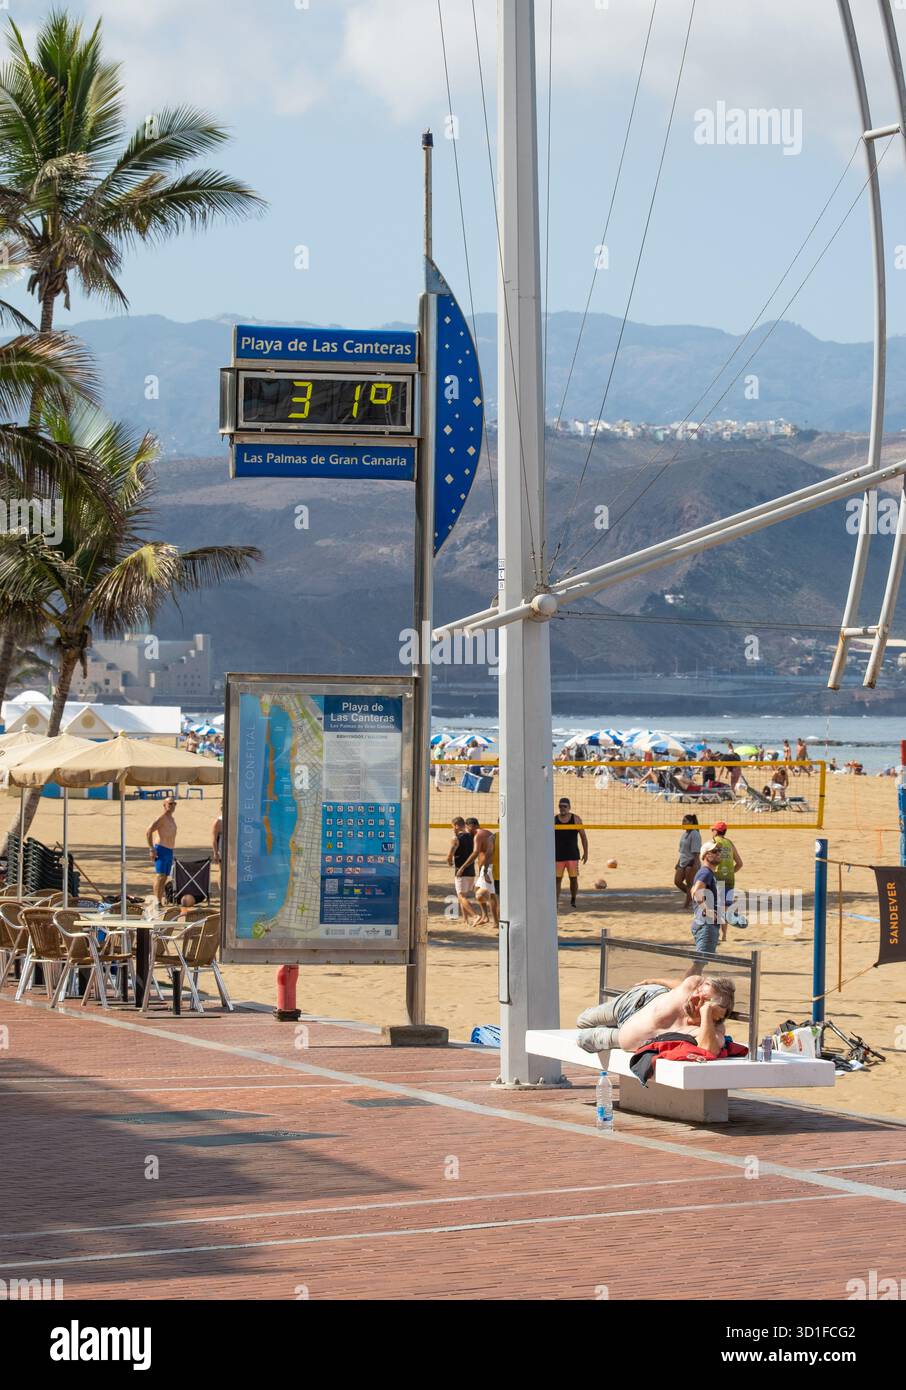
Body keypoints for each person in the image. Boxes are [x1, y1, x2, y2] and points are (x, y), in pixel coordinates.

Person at [576, 972, 736, 1054]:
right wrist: (653, 981)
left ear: (717, 1016)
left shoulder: (712, 1031)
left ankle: (610, 1028)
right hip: (635, 1002)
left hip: (622, 1037)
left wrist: (705, 1012)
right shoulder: (691, 985)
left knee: (582, 1039)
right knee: (582, 1020)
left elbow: (709, 1050)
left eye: (703, 999)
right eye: (699, 991)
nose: (694, 996)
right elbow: (678, 985)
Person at [691, 840, 726, 956]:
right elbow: (696, 892)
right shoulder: (705, 873)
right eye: (714, 851)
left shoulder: (707, 873)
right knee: (699, 964)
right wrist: (708, 911)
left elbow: (693, 890)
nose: (718, 854)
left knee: (701, 964)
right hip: (706, 926)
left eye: (719, 851)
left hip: (706, 924)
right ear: (706, 855)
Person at [461, 818, 498, 927]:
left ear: (471, 826)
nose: (467, 830)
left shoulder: (478, 834)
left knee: (488, 894)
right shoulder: (486, 832)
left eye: (467, 827)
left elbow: (475, 852)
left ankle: (494, 921)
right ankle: (486, 916)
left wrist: (464, 866)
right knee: (480, 891)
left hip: (488, 868)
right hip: (487, 867)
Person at [711, 820, 744, 940]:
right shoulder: (730, 843)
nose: (711, 831)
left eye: (712, 829)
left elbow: (708, 861)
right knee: (724, 908)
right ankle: (724, 935)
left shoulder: (714, 842)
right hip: (730, 881)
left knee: (715, 908)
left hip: (718, 880)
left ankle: (716, 934)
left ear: (716, 831)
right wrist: (730, 872)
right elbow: (740, 864)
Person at [555, 797, 588, 909]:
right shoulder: (554, 820)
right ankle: (556, 902)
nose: (562, 808)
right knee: (557, 880)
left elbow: (583, 836)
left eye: (564, 806)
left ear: (569, 807)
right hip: (558, 855)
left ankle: (573, 899)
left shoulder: (576, 819)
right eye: (560, 806)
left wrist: (586, 852)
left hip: (572, 855)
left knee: (573, 879)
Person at [146, 797, 178, 906]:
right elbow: (149, 831)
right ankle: (156, 901)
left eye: (174, 803)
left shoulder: (171, 819)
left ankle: (159, 900)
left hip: (169, 850)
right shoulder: (162, 818)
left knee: (164, 877)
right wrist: (151, 848)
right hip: (161, 849)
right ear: (164, 805)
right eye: (170, 803)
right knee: (159, 876)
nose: (172, 805)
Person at [447, 816, 478, 925]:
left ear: (456, 826)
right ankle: (465, 920)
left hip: (461, 871)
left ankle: (475, 916)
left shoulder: (456, 839)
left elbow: (450, 854)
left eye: (453, 827)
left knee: (461, 896)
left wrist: (449, 861)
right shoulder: (472, 836)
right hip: (471, 871)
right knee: (462, 895)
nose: (453, 829)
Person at [674, 813, 701, 908]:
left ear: (691, 822)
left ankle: (686, 905)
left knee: (690, 884)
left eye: (685, 821)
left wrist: (695, 865)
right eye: (682, 821)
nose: (683, 823)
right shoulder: (684, 834)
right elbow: (682, 851)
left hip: (691, 862)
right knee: (677, 881)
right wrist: (678, 863)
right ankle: (694, 896)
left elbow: (697, 853)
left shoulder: (695, 834)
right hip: (682, 861)